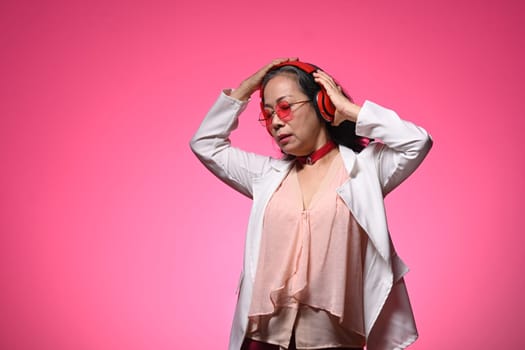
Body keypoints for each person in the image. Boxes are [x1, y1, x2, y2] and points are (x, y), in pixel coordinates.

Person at [190, 58, 433, 350]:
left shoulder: (365, 171)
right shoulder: (266, 176)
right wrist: (244, 90)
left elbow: (417, 141)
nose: (276, 122)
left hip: (334, 341)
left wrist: (348, 110)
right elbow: (205, 143)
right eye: (268, 115)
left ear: (321, 103)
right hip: (263, 340)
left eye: (285, 107)